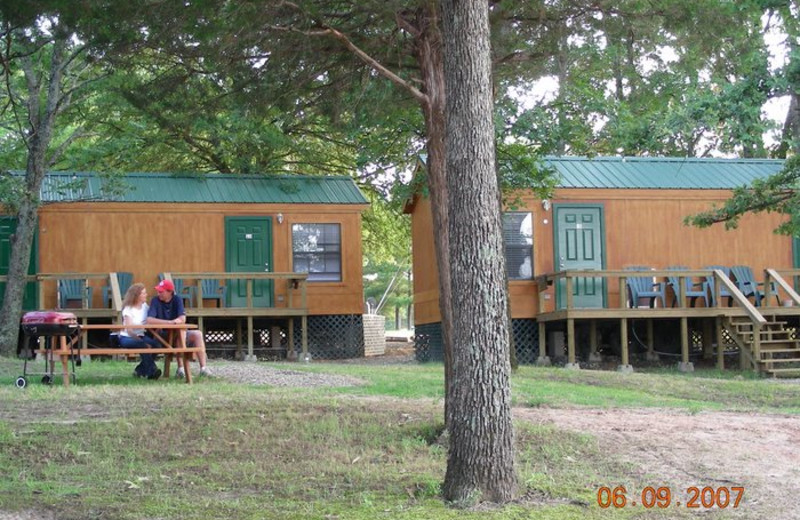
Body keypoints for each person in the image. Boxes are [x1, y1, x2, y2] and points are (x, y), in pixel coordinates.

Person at [146, 279, 213, 377]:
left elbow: (182, 318)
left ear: (170, 292)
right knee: (179, 334)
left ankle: (203, 368)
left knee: (197, 334)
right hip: (161, 336)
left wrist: (177, 321)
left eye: (161, 291)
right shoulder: (155, 301)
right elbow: (149, 320)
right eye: (158, 291)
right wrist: (169, 323)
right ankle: (181, 368)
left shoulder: (177, 299)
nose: (158, 293)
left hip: (178, 333)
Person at [120, 283, 162, 380]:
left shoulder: (145, 307)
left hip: (141, 335)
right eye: (143, 293)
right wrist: (139, 338)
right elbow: (129, 330)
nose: (146, 295)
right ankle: (152, 370)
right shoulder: (128, 309)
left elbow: (150, 318)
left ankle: (139, 370)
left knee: (157, 346)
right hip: (127, 337)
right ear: (137, 295)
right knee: (142, 344)